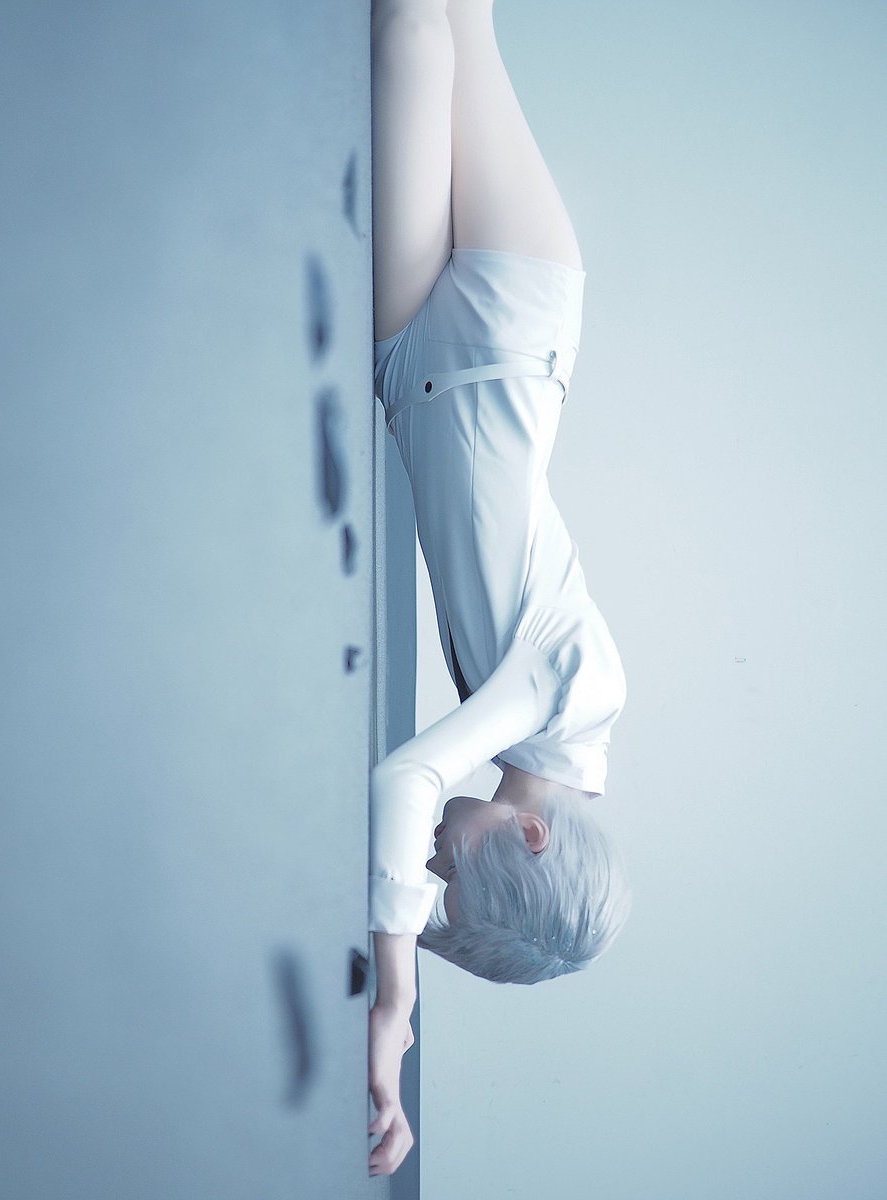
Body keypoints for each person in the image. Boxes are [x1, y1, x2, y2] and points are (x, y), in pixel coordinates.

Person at [368, 0, 632, 1176]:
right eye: (454, 875)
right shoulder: (567, 704)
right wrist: (396, 996)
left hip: (457, 344)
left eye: (429, 879)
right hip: (495, 325)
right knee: (430, 24)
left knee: (431, 21)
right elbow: (407, 780)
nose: (433, 860)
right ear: (527, 835)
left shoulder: (551, 728)